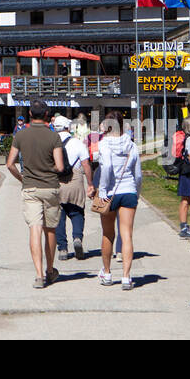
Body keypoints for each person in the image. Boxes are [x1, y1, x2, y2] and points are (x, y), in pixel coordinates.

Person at [5, 101, 66, 289]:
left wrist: (22, 178)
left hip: (30, 187)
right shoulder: (53, 136)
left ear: (30, 113)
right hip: (50, 187)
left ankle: (38, 275)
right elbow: (60, 166)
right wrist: (49, 169)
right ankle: (50, 270)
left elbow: (9, 163)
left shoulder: (20, 135)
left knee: (35, 229)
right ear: (47, 114)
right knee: (50, 229)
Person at [95, 110, 141, 289]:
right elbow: (138, 174)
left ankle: (107, 273)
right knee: (127, 234)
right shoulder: (131, 145)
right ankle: (126, 277)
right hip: (128, 190)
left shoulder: (104, 144)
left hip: (110, 193)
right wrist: (136, 192)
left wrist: (103, 191)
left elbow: (106, 167)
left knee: (108, 234)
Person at [53, 116, 93, 261]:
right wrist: (90, 184)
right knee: (77, 212)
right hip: (75, 179)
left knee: (59, 216)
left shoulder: (51, 142)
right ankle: (77, 238)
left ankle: (63, 248)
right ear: (68, 127)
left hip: (56, 181)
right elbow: (86, 165)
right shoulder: (77, 143)